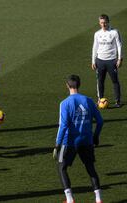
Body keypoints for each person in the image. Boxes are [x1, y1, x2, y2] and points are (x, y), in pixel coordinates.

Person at [53, 75, 103, 203]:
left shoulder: (64, 103)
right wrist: (95, 136)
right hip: (87, 140)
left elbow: (63, 126)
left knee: (61, 167)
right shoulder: (89, 100)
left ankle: (69, 199)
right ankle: (98, 199)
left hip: (68, 142)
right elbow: (100, 121)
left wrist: (57, 144)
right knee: (90, 167)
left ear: (67, 86)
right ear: (79, 85)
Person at [92, 14, 123, 108]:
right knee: (100, 81)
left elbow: (119, 45)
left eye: (105, 22)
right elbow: (95, 47)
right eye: (101, 23)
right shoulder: (97, 34)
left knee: (115, 81)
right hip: (100, 61)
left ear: (108, 22)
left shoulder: (114, 32)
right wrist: (93, 61)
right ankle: (100, 100)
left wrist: (120, 59)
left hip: (111, 61)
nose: (103, 24)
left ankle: (117, 101)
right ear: (99, 23)